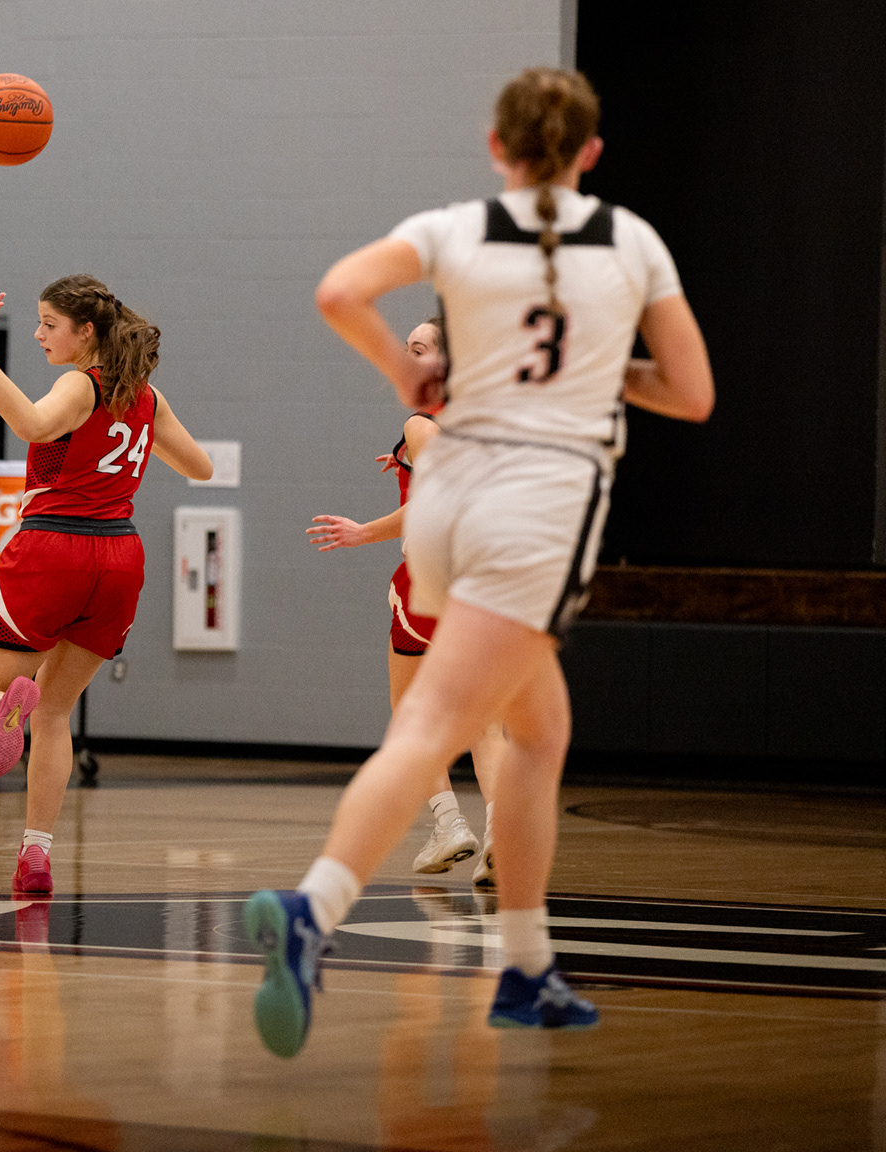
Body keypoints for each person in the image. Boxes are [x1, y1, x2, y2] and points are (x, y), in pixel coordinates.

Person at [247, 67, 715, 1056]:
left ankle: (528, 968)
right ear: (591, 152)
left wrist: (405, 370)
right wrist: (603, 371)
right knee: (434, 726)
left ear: (496, 146)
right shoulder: (631, 241)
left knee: (539, 731)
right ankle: (311, 910)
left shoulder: (455, 228)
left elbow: (339, 292)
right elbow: (693, 392)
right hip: (533, 509)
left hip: (447, 499)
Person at [0, 278, 212, 893]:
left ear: (87, 331)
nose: (40, 334)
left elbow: (31, 424)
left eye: (50, 324)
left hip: (53, 549)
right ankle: (36, 855)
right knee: (57, 711)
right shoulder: (146, 397)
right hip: (119, 558)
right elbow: (201, 467)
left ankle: (6, 712)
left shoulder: (80, 384)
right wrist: (135, 447)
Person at [306, 318, 507, 886]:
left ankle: (448, 825)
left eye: (417, 350)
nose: (405, 357)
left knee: (411, 714)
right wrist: (406, 462)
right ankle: (501, 833)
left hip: (429, 581)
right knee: (484, 722)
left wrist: (362, 531)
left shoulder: (421, 423)